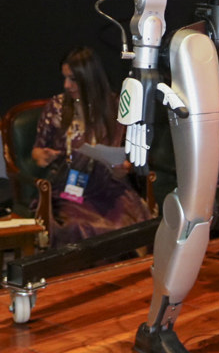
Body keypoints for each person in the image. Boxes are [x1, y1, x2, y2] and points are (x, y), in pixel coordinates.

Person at [32, 46, 153, 248]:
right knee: (81, 227)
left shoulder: (115, 106)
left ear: (90, 79)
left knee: (132, 222)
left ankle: (125, 276)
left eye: (73, 79)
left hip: (108, 186)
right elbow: (37, 151)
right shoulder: (56, 106)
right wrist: (43, 156)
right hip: (69, 189)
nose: (67, 85)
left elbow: (126, 158)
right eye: (65, 78)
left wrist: (122, 169)